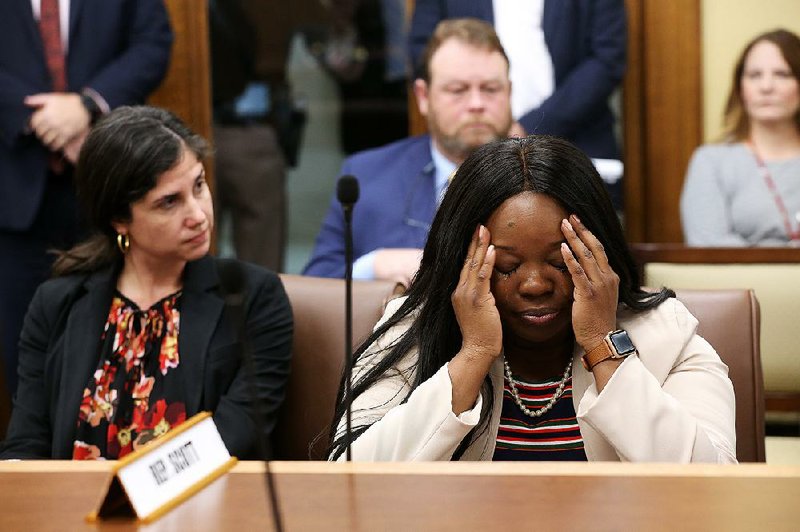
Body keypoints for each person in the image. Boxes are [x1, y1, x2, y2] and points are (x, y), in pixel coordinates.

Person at [327, 135, 736, 463]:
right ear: (458, 261)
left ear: (601, 250)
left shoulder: (667, 333)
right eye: (505, 266)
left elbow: (710, 485)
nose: (535, 285)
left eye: (562, 261)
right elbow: (350, 481)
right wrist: (473, 355)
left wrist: (602, 343)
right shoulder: (410, 329)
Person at [0, 107, 293, 460]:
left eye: (199, 186)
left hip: (202, 506)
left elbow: (234, 436)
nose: (198, 216)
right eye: (169, 203)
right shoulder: (57, 303)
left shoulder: (252, 297)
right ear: (119, 219)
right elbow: (26, 444)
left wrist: (126, 500)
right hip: (73, 510)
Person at [0, 0, 174, 395]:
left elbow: (153, 42)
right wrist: (37, 117)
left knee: (124, 354)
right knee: (26, 363)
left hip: (111, 190)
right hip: (13, 199)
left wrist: (87, 106)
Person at [304, 18, 514, 284]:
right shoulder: (366, 176)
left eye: (490, 89)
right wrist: (372, 266)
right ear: (423, 97)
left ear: (509, 92)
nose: (476, 103)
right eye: (458, 90)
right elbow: (313, 288)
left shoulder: (550, 176)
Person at [408, 0, 627, 161]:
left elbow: (608, 58)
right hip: (465, 151)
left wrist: (531, 126)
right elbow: (425, 53)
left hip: (574, 144)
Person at [681, 29, 800, 246]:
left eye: (782, 74)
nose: (766, 87)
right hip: (740, 281)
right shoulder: (711, 161)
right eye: (755, 75)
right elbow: (708, 246)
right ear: (741, 88)